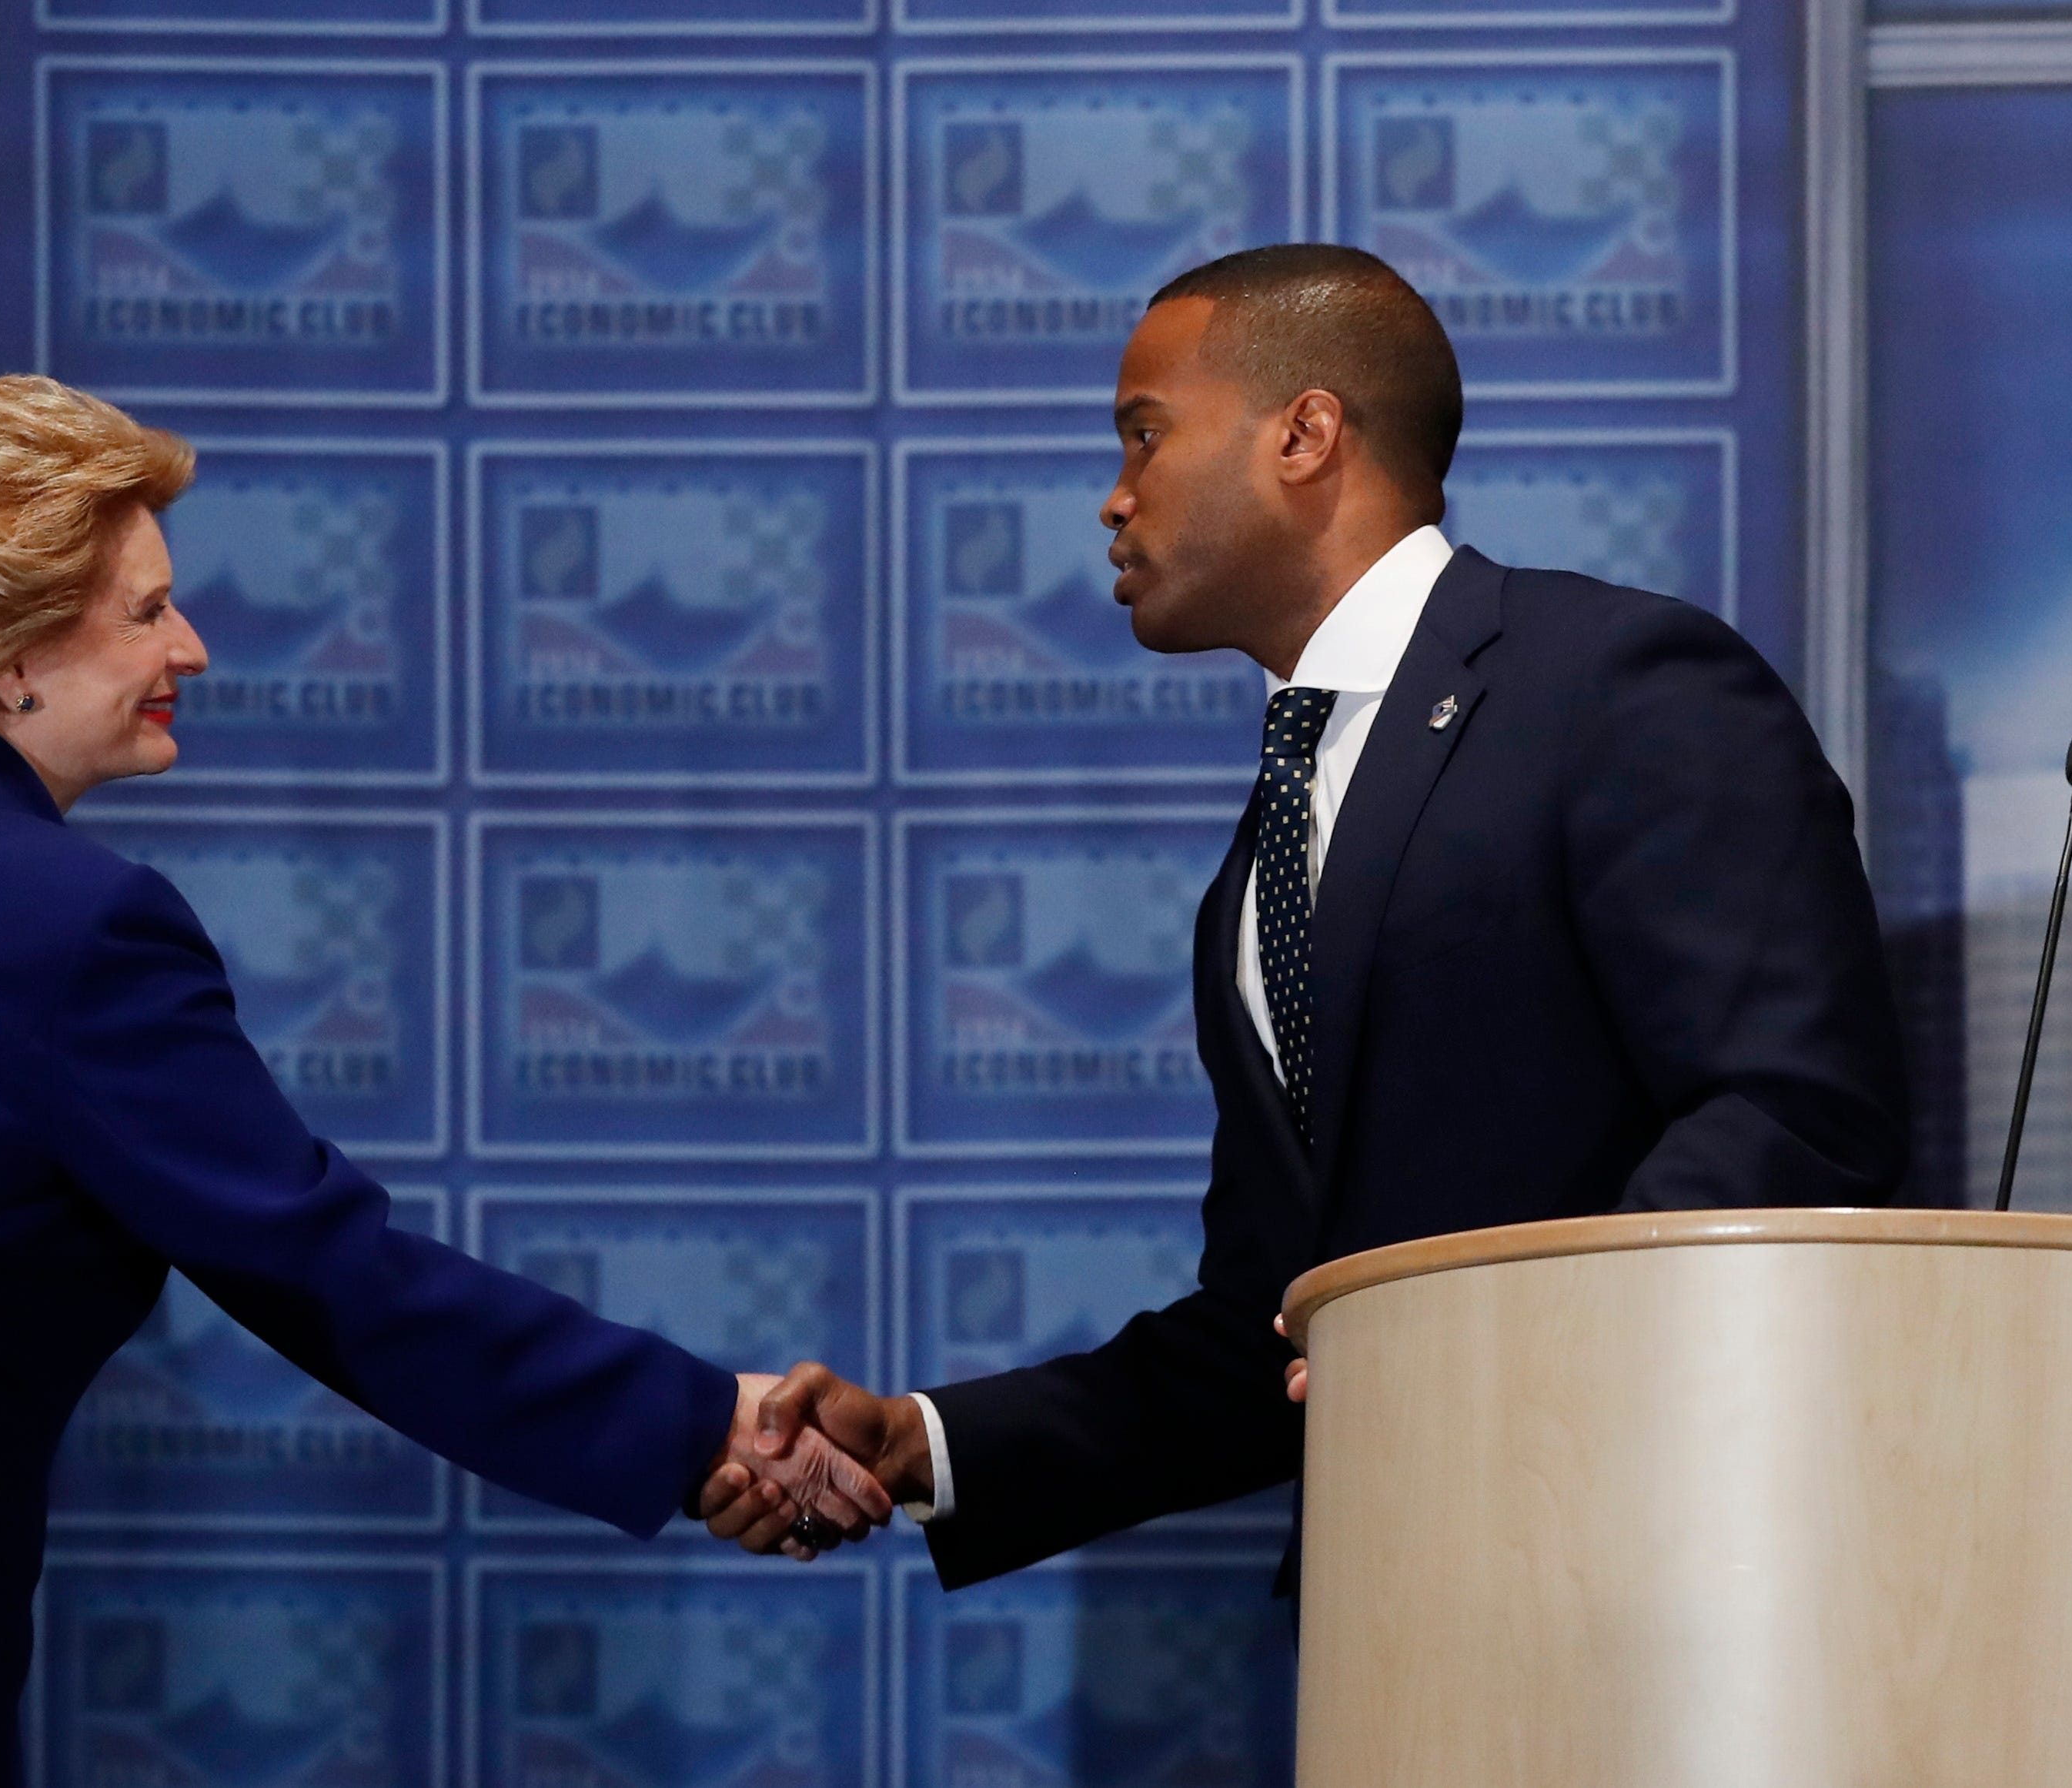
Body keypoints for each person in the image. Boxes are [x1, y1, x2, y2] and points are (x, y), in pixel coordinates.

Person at [0, 373, 887, 1788]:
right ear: (2, 654)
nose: (196, 649)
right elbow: (328, 1272)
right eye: (148, 610)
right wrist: (705, 1423)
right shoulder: (69, 926)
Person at [695, 243, 1910, 1586]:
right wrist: (924, 1444)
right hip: (1389, 1613)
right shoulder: (1273, 835)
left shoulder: (1617, 685)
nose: (1113, 499)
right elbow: (1276, 1331)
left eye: (1144, 435)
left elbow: (1794, 1111)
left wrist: (1495, 1351)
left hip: (1655, 1572)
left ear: (1304, 433)